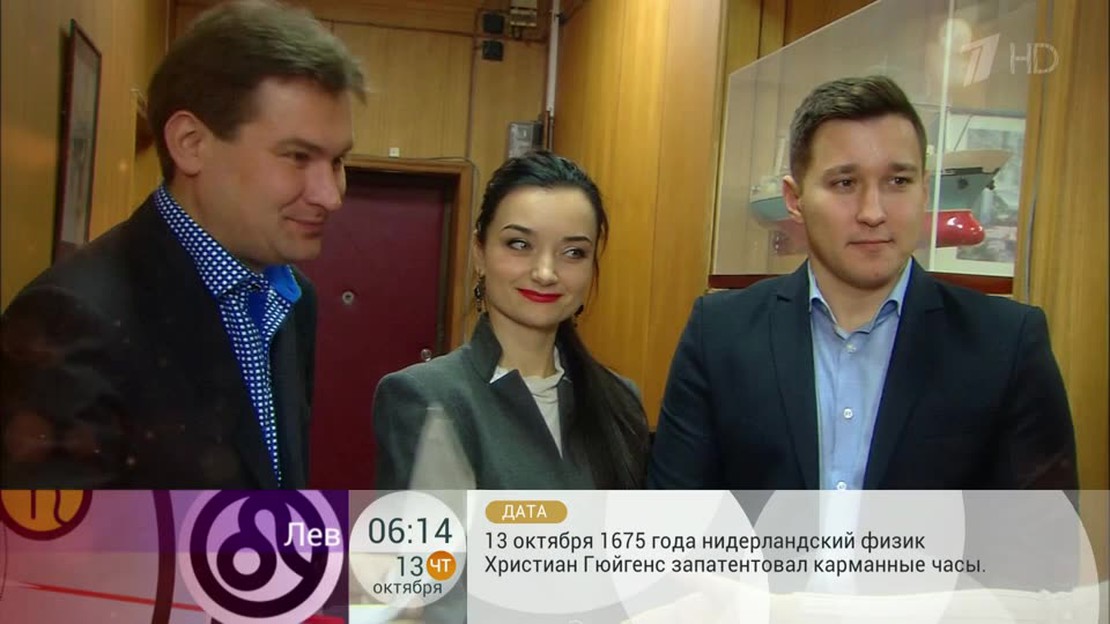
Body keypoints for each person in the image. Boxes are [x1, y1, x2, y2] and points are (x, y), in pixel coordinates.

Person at [648, 75, 1077, 490]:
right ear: (795, 199)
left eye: (898, 181)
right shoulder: (719, 334)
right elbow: (678, 521)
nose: (873, 212)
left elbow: (1040, 533)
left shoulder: (1005, 344)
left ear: (924, 190)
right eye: (845, 183)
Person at [0, 0, 365, 489]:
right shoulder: (69, 321)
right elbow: (56, 537)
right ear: (191, 143)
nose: (330, 195)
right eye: (298, 157)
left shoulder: (295, 301)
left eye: (337, 162)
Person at [373, 151, 650, 489]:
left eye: (573, 252)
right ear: (479, 252)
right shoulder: (427, 396)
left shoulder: (620, 400)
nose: (545, 273)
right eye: (520, 244)